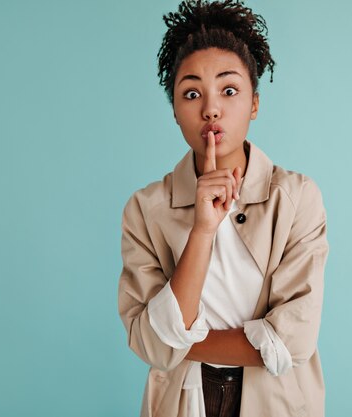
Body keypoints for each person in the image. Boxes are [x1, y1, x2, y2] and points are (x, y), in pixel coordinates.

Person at [118, 1, 330, 416]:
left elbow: (293, 341)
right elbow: (150, 346)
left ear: (254, 103)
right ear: (176, 112)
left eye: (229, 90)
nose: (211, 108)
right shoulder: (145, 209)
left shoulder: (297, 197)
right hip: (182, 399)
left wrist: (181, 342)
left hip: (278, 400)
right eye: (192, 93)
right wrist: (202, 229)